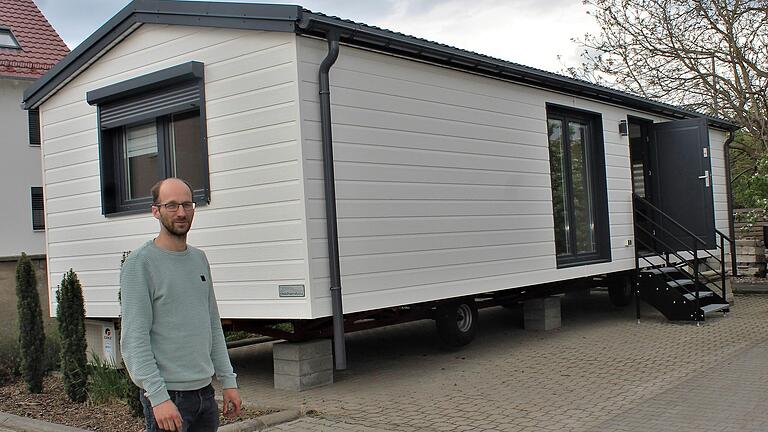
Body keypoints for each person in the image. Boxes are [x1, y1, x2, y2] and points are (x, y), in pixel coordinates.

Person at [120, 177, 241, 432]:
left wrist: (228, 381)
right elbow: (134, 340)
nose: (181, 212)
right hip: (169, 398)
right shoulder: (140, 264)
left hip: (205, 397)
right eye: (172, 205)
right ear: (156, 211)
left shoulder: (199, 259)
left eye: (187, 205)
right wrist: (158, 397)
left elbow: (212, 325)